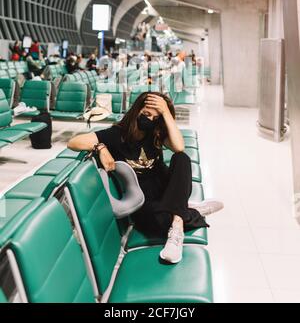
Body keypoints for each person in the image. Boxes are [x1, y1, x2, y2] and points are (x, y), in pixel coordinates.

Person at [67, 92, 223, 264]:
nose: (150, 119)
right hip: (142, 197)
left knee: (181, 158)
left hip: (165, 188)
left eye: (156, 117)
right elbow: (73, 142)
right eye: (147, 113)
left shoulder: (155, 132)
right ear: (137, 110)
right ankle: (184, 209)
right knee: (157, 223)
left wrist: (166, 113)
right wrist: (100, 147)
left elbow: (179, 146)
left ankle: (177, 226)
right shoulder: (116, 134)